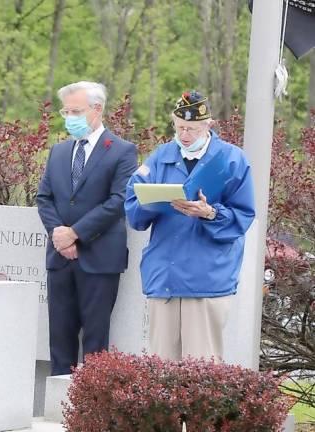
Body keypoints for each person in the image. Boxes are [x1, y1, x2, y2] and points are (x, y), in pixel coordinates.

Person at [125, 90, 255, 361]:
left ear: (208, 126)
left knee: (201, 370)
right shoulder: (161, 157)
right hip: (165, 277)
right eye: (180, 127)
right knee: (161, 369)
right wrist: (150, 202)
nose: (184, 135)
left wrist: (209, 213)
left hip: (206, 279)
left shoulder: (232, 160)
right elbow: (132, 204)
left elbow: (243, 215)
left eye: (192, 129)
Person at [37, 81, 138, 375]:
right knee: (59, 339)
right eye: (65, 111)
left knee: (95, 344)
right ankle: (59, 409)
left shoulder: (121, 151)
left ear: (97, 109)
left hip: (99, 257)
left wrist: (76, 232)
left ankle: (89, 414)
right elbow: (45, 198)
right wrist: (59, 235)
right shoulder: (58, 152)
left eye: (76, 111)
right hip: (60, 259)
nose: (69, 117)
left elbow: (119, 200)